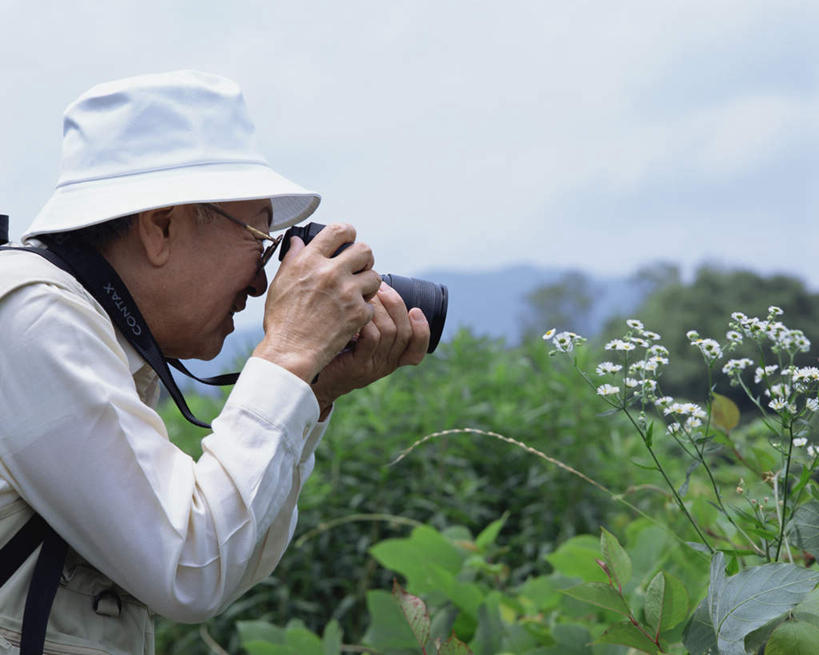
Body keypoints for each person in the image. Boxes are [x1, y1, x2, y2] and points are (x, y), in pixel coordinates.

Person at [0, 70, 429, 654]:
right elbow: (189, 569)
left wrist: (313, 390)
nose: (261, 280)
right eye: (259, 237)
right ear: (162, 227)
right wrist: (288, 354)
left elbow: (229, 563)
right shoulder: (31, 318)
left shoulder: (83, 328)